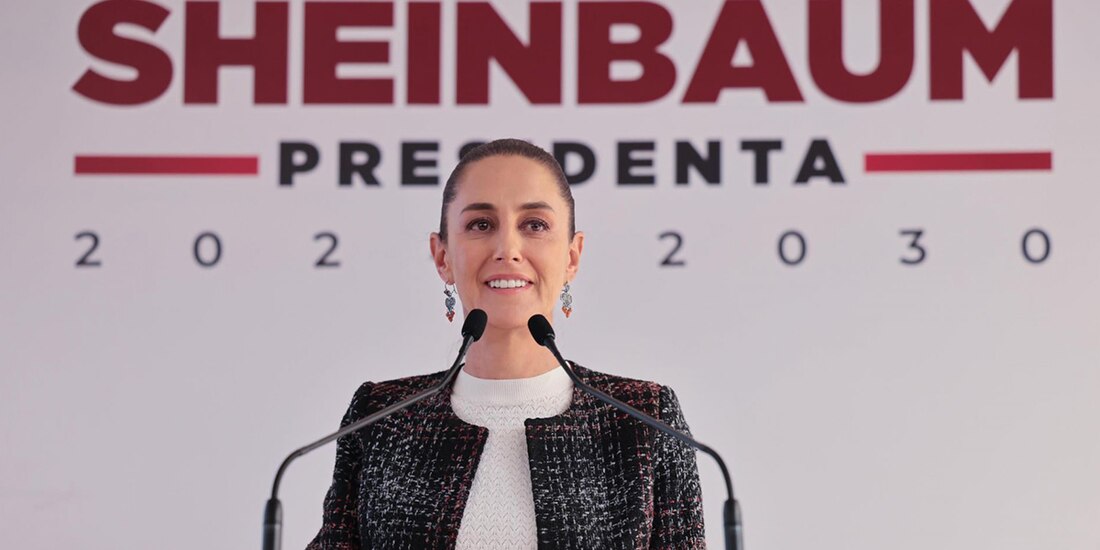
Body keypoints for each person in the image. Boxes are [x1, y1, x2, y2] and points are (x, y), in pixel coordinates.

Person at [307, 139, 705, 549]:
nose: (507, 250)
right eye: (481, 224)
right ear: (442, 256)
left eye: (534, 224)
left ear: (572, 256)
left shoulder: (644, 418)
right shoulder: (381, 417)